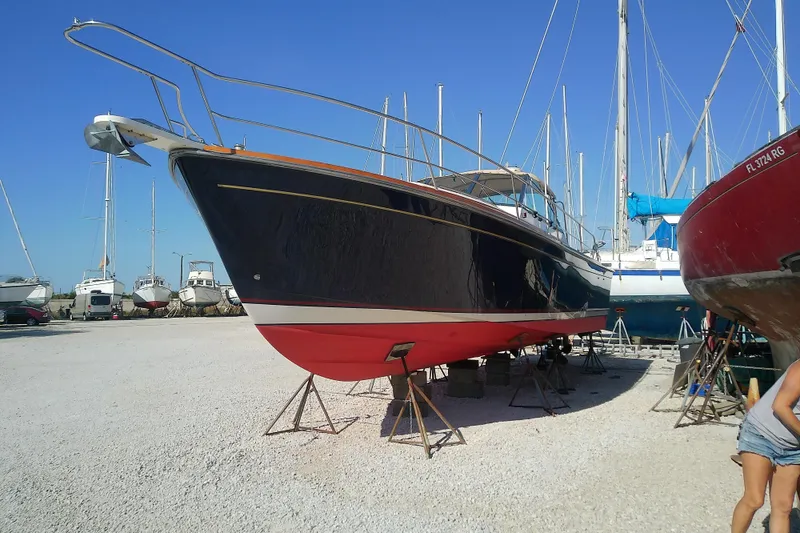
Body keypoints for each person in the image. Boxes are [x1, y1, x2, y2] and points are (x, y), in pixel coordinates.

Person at [732, 359, 800, 533]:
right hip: (761, 434)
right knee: (754, 499)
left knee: (783, 507)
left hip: (793, 446)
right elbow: (780, 406)